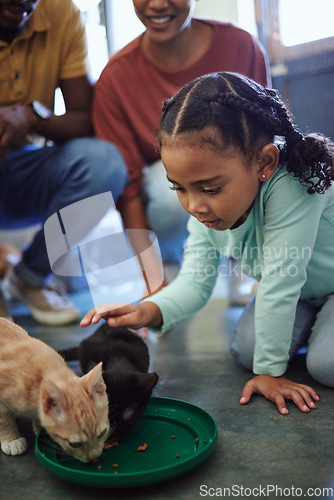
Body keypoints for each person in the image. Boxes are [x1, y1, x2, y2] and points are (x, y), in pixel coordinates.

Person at [82, 71, 334, 415]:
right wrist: (148, 310)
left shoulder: (293, 182)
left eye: (210, 189)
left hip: (315, 285)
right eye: (179, 188)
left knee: (325, 364)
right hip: (305, 293)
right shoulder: (205, 209)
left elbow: (280, 283)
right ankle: (315, 326)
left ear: (264, 163)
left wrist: (269, 373)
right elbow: (195, 282)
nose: (194, 206)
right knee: (248, 350)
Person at [93, 0, 270, 297]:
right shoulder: (115, 78)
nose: (158, 4)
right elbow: (128, 190)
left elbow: (268, 139)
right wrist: (153, 281)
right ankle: (173, 263)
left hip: (244, 196)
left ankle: (245, 257)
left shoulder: (241, 46)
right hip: (163, 209)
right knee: (170, 192)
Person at [0, 0, 128, 325]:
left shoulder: (61, 12)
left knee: (103, 163)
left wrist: (30, 115)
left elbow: (84, 120)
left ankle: (29, 276)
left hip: (25, 172)